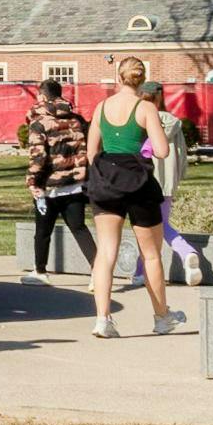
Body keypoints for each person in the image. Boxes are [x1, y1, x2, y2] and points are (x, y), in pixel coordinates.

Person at [85, 56, 183, 338]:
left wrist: (108, 167)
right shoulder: (146, 108)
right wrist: (144, 148)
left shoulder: (102, 107)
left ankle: (103, 320)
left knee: (106, 252)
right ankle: (162, 317)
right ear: (142, 80)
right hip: (139, 183)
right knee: (151, 254)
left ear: (118, 77)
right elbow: (162, 150)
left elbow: (92, 152)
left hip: (106, 183)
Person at [19, 79, 98, 286]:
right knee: (79, 228)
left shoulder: (38, 124)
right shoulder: (77, 120)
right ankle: (98, 271)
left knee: (43, 231)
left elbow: (38, 157)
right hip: (75, 183)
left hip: (49, 186)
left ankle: (40, 271)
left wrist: (32, 181)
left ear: (42, 97)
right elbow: (88, 149)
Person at [129, 81, 203, 289]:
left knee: (150, 226)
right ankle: (140, 271)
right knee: (153, 226)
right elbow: (181, 154)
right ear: (159, 97)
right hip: (167, 183)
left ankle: (185, 251)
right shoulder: (174, 122)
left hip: (144, 181)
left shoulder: (139, 120)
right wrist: (177, 177)